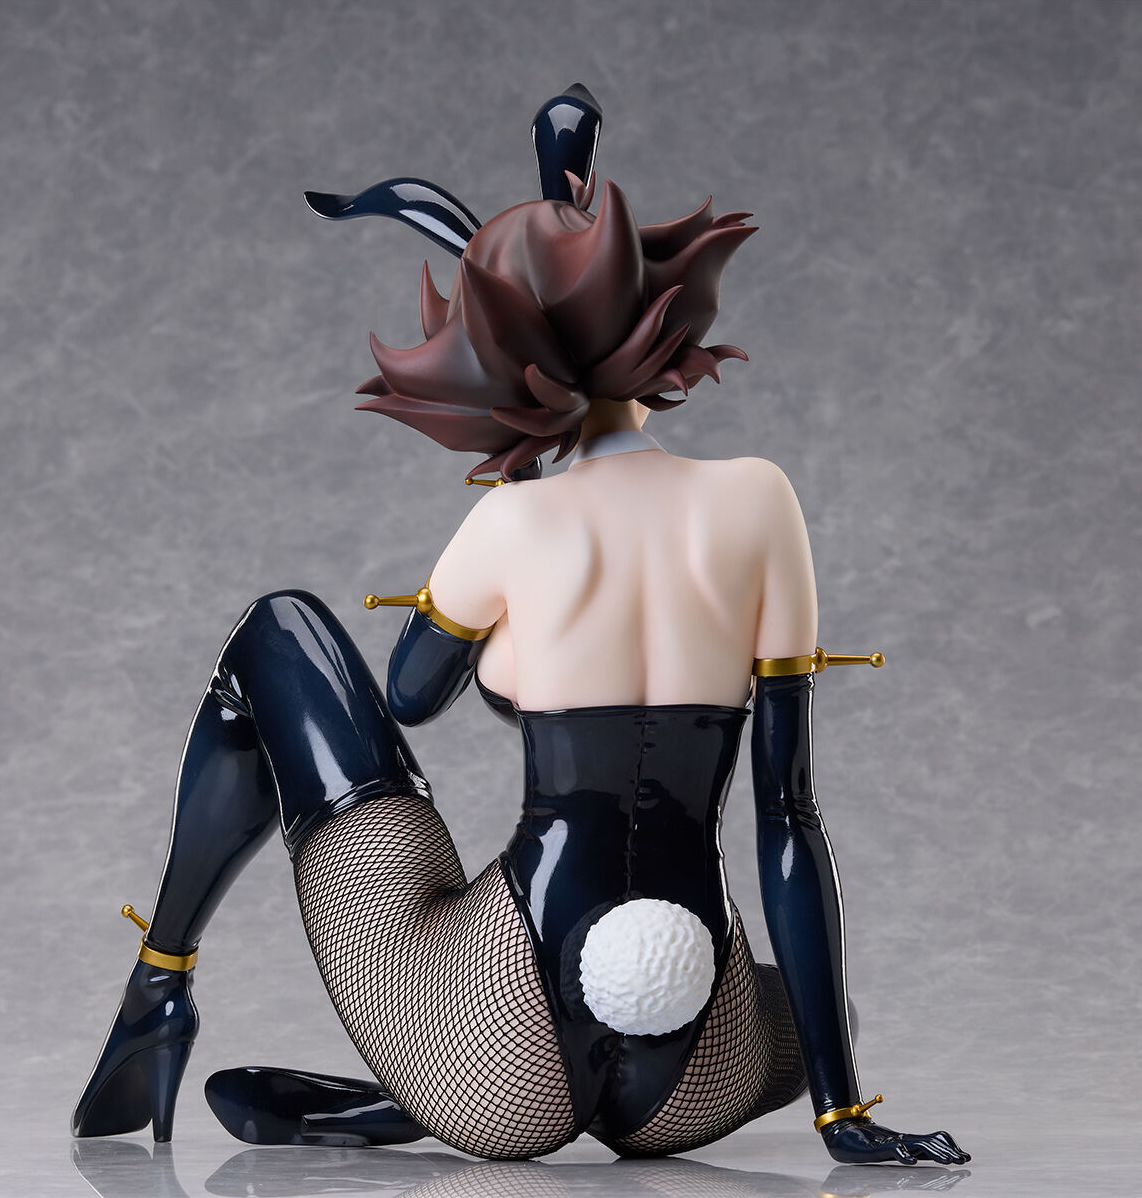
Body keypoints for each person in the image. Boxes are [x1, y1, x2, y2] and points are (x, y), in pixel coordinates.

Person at [71, 86, 969, 1166]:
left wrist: (509, 634)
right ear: (657, 317)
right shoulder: (760, 499)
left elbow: (409, 696)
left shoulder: (512, 523)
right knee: (825, 1009)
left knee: (280, 631)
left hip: (503, 1043)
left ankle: (164, 984)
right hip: (702, 1062)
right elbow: (789, 818)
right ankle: (441, 1095)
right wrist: (840, 1109)